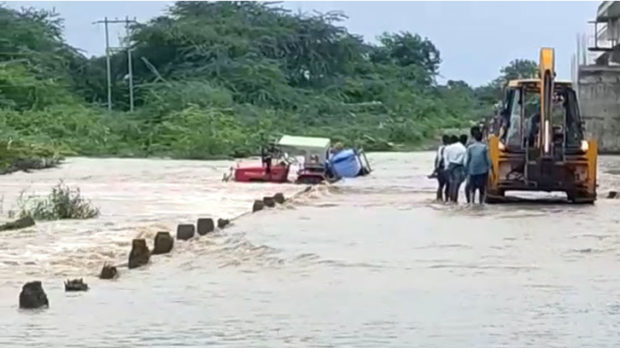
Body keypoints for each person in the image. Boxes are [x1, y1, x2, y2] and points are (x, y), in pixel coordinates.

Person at [465, 128, 491, 204]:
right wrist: (490, 167)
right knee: (482, 188)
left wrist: (466, 169)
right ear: (482, 138)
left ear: (475, 138)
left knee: (472, 188)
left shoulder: (470, 148)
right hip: (483, 171)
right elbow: (488, 159)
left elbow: (467, 160)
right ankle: (481, 203)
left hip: (472, 171)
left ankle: (472, 202)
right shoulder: (485, 147)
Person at [443, 134, 467, 203]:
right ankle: (454, 200)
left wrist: (447, 167)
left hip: (450, 166)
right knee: (456, 185)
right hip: (458, 167)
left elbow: (445, 158)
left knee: (451, 184)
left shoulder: (448, 148)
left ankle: (450, 200)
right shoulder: (463, 148)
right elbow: (464, 161)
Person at [430, 135, 450, 201]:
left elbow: (437, 159)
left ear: (442, 141)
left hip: (440, 168)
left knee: (440, 186)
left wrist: (435, 169)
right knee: (448, 185)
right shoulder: (450, 148)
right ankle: (447, 199)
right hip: (447, 168)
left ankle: (439, 199)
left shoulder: (440, 148)